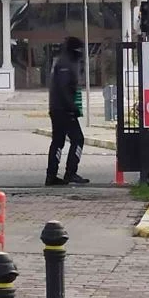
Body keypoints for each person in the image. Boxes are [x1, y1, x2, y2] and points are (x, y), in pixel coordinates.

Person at [46, 36, 90, 186]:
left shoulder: (63, 60)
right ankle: (70, 173)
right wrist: (72, 108)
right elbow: (64, 88)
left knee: (58, 141)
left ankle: (51, 175)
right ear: (75, 50)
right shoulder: (66, 63)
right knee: (78, 139)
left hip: (57, 108)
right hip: (63, 109)